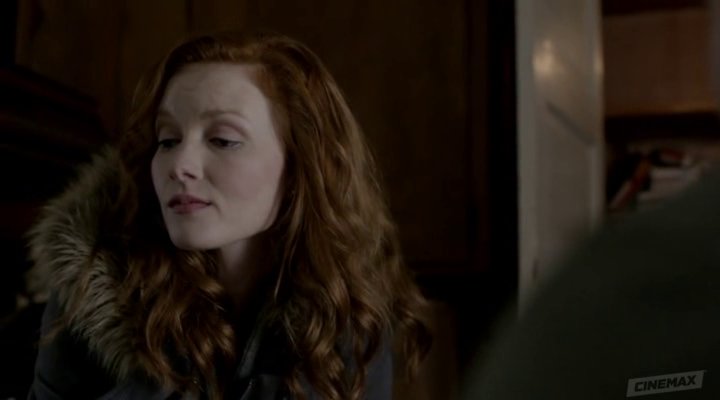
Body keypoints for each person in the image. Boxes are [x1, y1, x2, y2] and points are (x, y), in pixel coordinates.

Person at [26, 31, 431, 400]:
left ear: (299, 167)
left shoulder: (348, 312)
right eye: (168, 140)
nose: (179, 164)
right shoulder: (91, 292)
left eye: (223, 140)